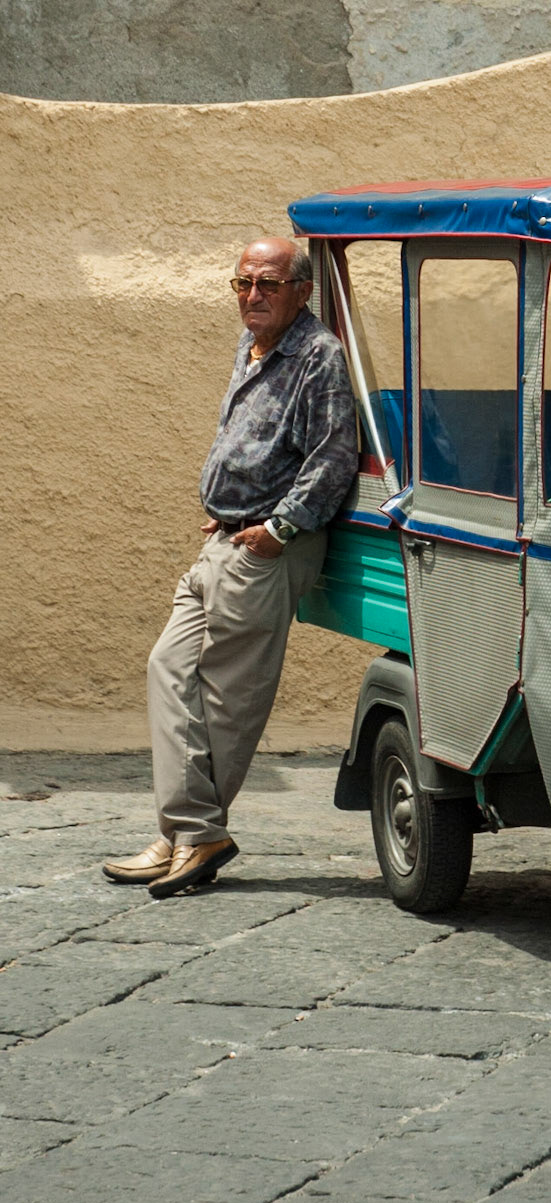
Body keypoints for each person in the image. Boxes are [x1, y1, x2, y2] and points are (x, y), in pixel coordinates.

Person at [103, 237, 358, 898]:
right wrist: (227, 511)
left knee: (224, 701)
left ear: (300, 290)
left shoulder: (316, 356)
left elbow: (331, 459)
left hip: (264, 550)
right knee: (169, 667)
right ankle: (184, 830)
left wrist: (276, 529)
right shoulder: (254, 347)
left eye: (267, 284)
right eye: (242, 283)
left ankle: (193, 835)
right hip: (226, 537)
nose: (252, 295)